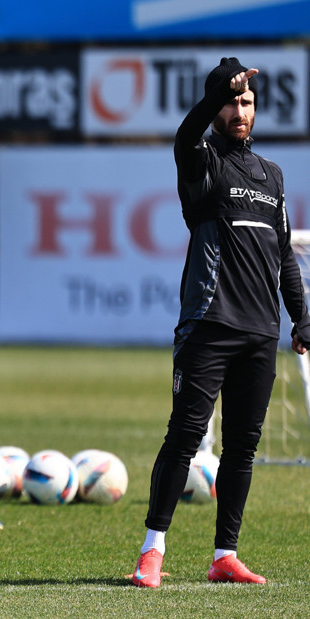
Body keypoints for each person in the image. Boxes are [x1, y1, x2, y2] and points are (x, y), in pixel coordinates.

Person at [130, 57, 310, 588]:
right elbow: (186, 130)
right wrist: (216, 91)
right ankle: (152, 550)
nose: (240, 110)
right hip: (208, 324)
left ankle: (224, 556)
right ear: (216, 108)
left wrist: (301, 317)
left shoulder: (271, 175)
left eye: (247, 102)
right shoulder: (201, 159)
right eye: (232, 101)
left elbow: (284, 257)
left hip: (260, 332)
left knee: (242, 448)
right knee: (184, 437)